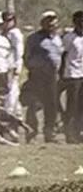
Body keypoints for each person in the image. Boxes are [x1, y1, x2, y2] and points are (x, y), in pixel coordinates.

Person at [23, 11, 62, 143]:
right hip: (37, 76)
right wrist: (36, 67)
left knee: (51, 106)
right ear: (42, 23)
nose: (51, 23)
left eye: (53, 20)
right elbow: (27, 57)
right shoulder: (33, 38)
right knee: (34, 105)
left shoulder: (58, 38)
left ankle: (50, 133)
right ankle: (32, 133)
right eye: (48, 20)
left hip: (53, 77)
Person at [60, 10, 83, 144]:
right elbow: (63, 55)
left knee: (81, 106)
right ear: (75, 22)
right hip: (72, 74)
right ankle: (69, 133)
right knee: (72, 105)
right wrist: (62, 73)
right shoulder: (69, 38)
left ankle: (78, 131)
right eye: (79, 20)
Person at [3, 10, 25, 116]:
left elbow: (19, 51)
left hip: (12, 65)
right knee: (11, 90)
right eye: (5, 20)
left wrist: (18, 66)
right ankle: (17, 112)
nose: (7, 22)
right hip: (4, 65)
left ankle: (11, 111)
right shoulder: (4, 33)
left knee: (11, 89)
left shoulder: (15, 33)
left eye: (9, 20)